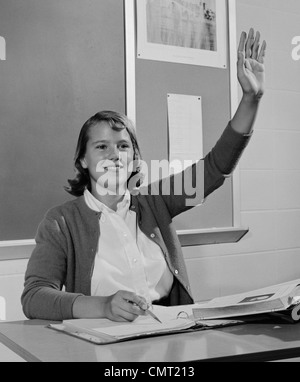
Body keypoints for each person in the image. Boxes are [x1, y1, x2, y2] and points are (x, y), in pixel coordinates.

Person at [21, 29, 267, 322]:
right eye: (101, 147)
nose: (114, 155)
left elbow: (215, 168)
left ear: (134, 157)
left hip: (170, 334)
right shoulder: (60, 222)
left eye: (123, 146)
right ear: (83, 160)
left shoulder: (155, 202)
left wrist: (251, 98)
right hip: (104, 344)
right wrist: (102, 306)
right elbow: (35, 296)